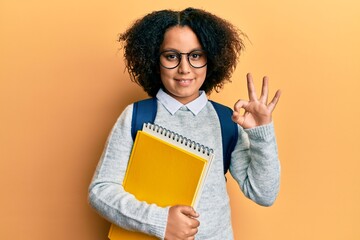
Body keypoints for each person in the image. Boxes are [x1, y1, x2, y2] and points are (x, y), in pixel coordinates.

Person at [88, 7, 281, 240]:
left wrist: (261, 133)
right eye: (171, 56)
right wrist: (160, 221)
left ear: (211, 59)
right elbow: (100, 191)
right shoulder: (135, 116)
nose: (184, 68)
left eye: (196, 56)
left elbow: (264, 194)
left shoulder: (226, 121)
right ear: (154, 59)